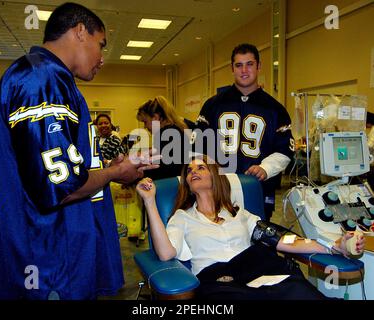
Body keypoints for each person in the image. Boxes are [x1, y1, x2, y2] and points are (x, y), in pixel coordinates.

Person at [0, 2, 157, 300]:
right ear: (80, 31)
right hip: (48, 254)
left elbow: (56, 165)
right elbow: (60, 188)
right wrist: (115, 172)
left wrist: (110, 168)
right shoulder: (40, 80)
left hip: (59, 249)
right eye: (101, 45)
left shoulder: (48, 78)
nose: (102, 58)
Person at [136, 155, 365, 300]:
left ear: (215, 176)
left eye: (202, 167)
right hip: (218, 281)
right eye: (190, 171)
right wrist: (150, 202)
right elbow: (166, 253)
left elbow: (282, 240)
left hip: (259, 269)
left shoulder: (240, 214)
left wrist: (334, 247)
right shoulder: (182, 217)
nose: (193, 171)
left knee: (299, 290)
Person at [195, 43, 295, 221]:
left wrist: (265, 168)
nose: (244, 70)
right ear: (232, 68)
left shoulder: (275, 109)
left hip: (257, 188)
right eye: (239, 65)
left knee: (256, 239)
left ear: (259, 66)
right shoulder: (213, 105)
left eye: (249, 64)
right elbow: (198, 147)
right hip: (219, 187)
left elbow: (284, 150)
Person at [137, 95, 195, 180]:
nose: (145, 127)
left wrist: (138, 174)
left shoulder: (167, 133)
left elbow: (164, 170)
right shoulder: (182, 125)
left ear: (155, 118)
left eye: (145, 122)